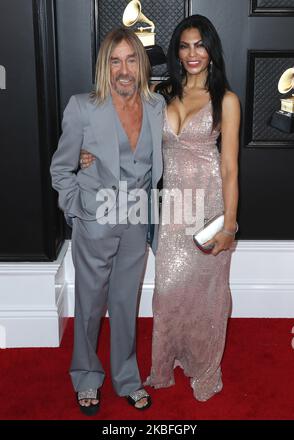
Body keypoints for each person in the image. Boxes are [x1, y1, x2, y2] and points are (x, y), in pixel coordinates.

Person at [80, 14, 240, 402]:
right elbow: (124, 121)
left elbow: (231, 166)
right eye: (184, 46)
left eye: (199, 44)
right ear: (176, 51)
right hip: (171, 207)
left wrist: (229, 225)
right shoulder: (161, 92)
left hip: (208, 203)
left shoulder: (226, 100)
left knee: (208, 291)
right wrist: (93, 153)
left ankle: (203, 366)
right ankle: (167, 361)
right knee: (168, 290)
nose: (192, 53)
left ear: (211, 49)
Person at [50, 27, 165, 415]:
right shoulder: (83, 107)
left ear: (141, 63)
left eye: (131, 59)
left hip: (136, 219)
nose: (123, 69)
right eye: (115, 61)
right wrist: (77, 210)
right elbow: (61, 168)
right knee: (90, 302)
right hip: (94, 220)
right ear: (104, 66)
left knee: (124, 301)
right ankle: (85, 375)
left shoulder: (155, 106)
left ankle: (127, 378)